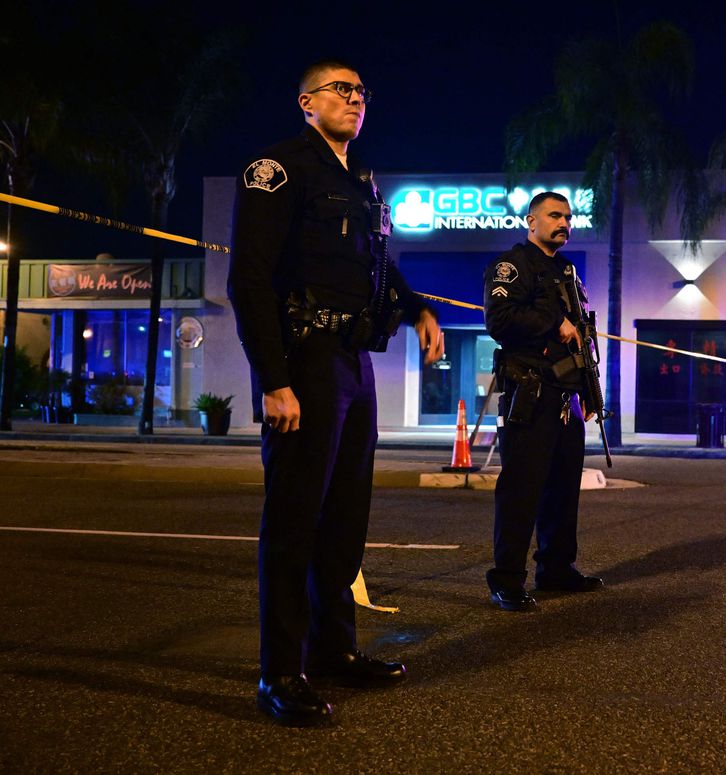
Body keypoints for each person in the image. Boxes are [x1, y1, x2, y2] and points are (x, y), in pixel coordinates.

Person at [228, 59, 445, 726]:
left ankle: (334, 650)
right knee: (295, 521)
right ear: (306, 102)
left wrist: (417, 309)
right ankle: (280, 672)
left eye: (360, 92)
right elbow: (250, 280)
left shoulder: (361, 184)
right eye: (340, 90)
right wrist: (275, 380)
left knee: (346, 519)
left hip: (355, 364)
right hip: (307, 360)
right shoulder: (279, 170)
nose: (354, 100)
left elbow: (380, 266)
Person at [483, 192, 603, 612]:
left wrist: (589, 392)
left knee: (563, 488)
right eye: (554, 215)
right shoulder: (512, 266)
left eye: (568, 217)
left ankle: (556, 568)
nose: (563, 222)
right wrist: (555, 322)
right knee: (522, 489)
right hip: (530, 393)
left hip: (567, 396)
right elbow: (499, 321)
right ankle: (507, 580)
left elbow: (582, 336)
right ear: (531, 221)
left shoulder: (566, 271)